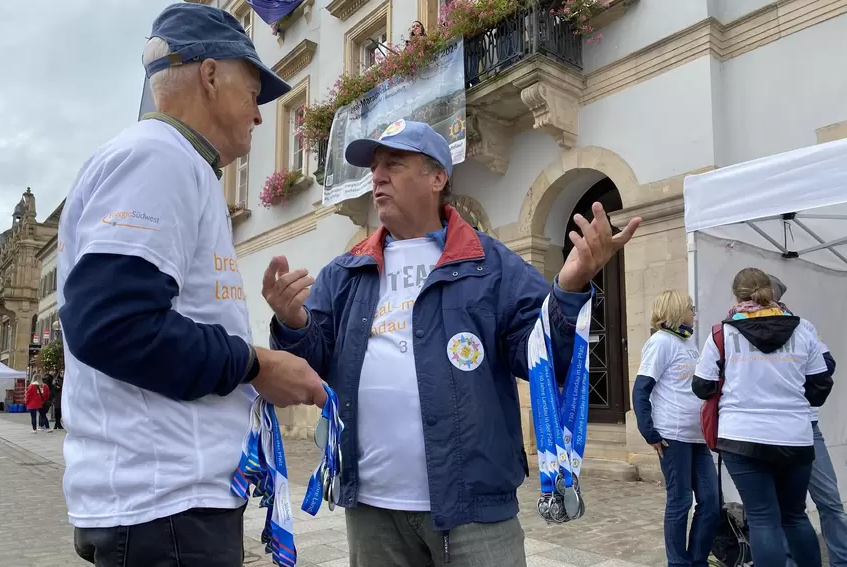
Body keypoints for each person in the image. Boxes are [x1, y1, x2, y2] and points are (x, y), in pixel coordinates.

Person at [263, 119, 642, 566]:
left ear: (437, 177)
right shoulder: (345, 271)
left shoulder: (490, 262)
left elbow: (541, 355)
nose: (377, 176)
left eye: (394, 163)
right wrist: (292, 322)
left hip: (473, 508)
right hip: (371, 506)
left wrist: (571, 286)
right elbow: (314, 365)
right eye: (375, 167)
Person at [57, 4, 326, 566]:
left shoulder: (177, 165)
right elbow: (113, 326)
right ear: (209, 76)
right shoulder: (158, 158)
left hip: (169, 504)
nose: (259, 116)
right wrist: (258, 366)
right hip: (163, 508)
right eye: (253, 91)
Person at [693, 267, 833, 567]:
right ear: (771, 293)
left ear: (738, 295)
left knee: (762, 518)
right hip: (795, 436)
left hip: (742, 437)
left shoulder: (722, 333)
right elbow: (821, 385)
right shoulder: (802, 329)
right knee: (794, 515)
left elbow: (702, 386)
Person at [633, 290, 718, 567]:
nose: (694, 313)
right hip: (672, 436)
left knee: (710, 500)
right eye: (690, 308)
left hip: (697, 436)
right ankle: (678, 562)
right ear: (676, 311)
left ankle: (697, 560)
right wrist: (650, 432)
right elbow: (641, 390)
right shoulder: (661, 342)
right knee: (680, 501)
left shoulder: (688, 343)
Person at [769, 274, 846, 567]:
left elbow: (827, 365)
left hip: (806, 427)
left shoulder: (802, 326)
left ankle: (841, 560)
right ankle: (787, 561)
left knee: (830, 501)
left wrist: (794, 376)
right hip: (769, 431)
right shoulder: (739, 328)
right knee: (781, 506)